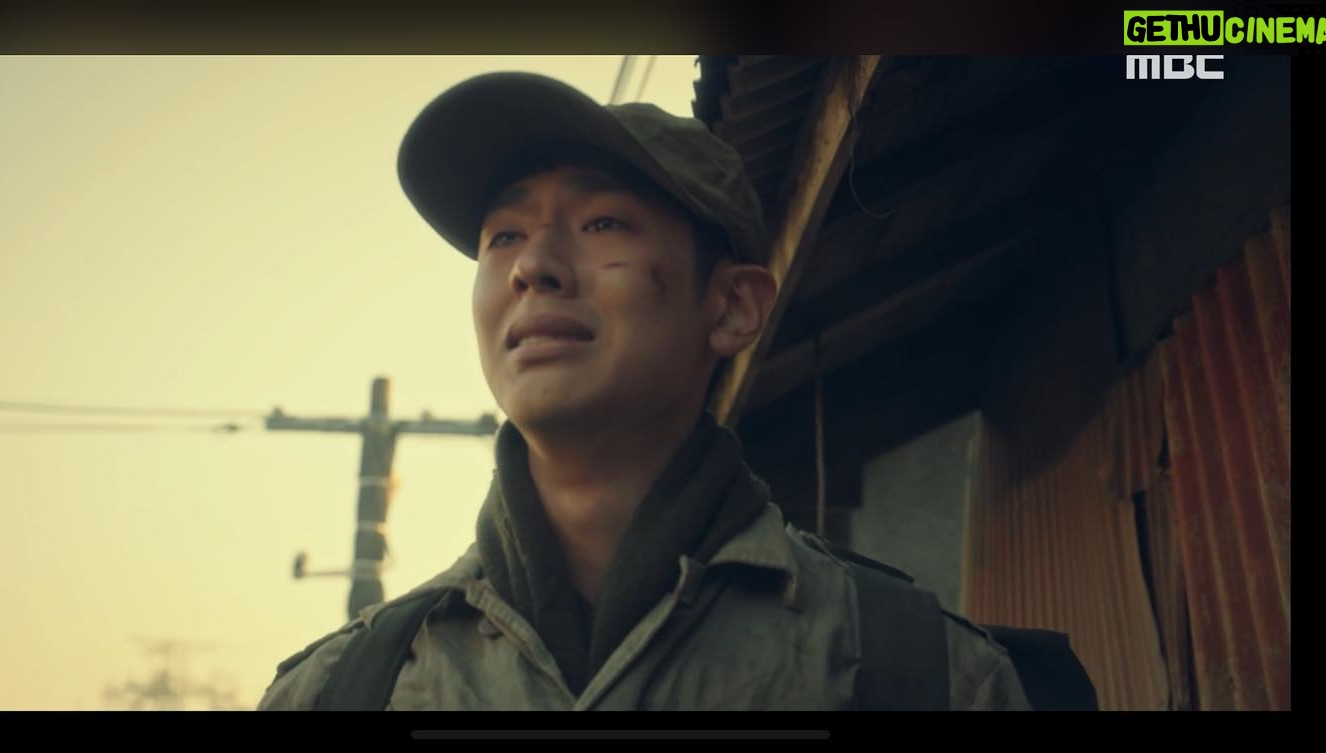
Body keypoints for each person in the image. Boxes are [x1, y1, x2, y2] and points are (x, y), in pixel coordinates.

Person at [257, 71, 1032, 711]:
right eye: (505, 235)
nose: (533, 267)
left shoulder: (923, 679)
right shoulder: (339, 692)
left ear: (732, 306)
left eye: (602, 223)